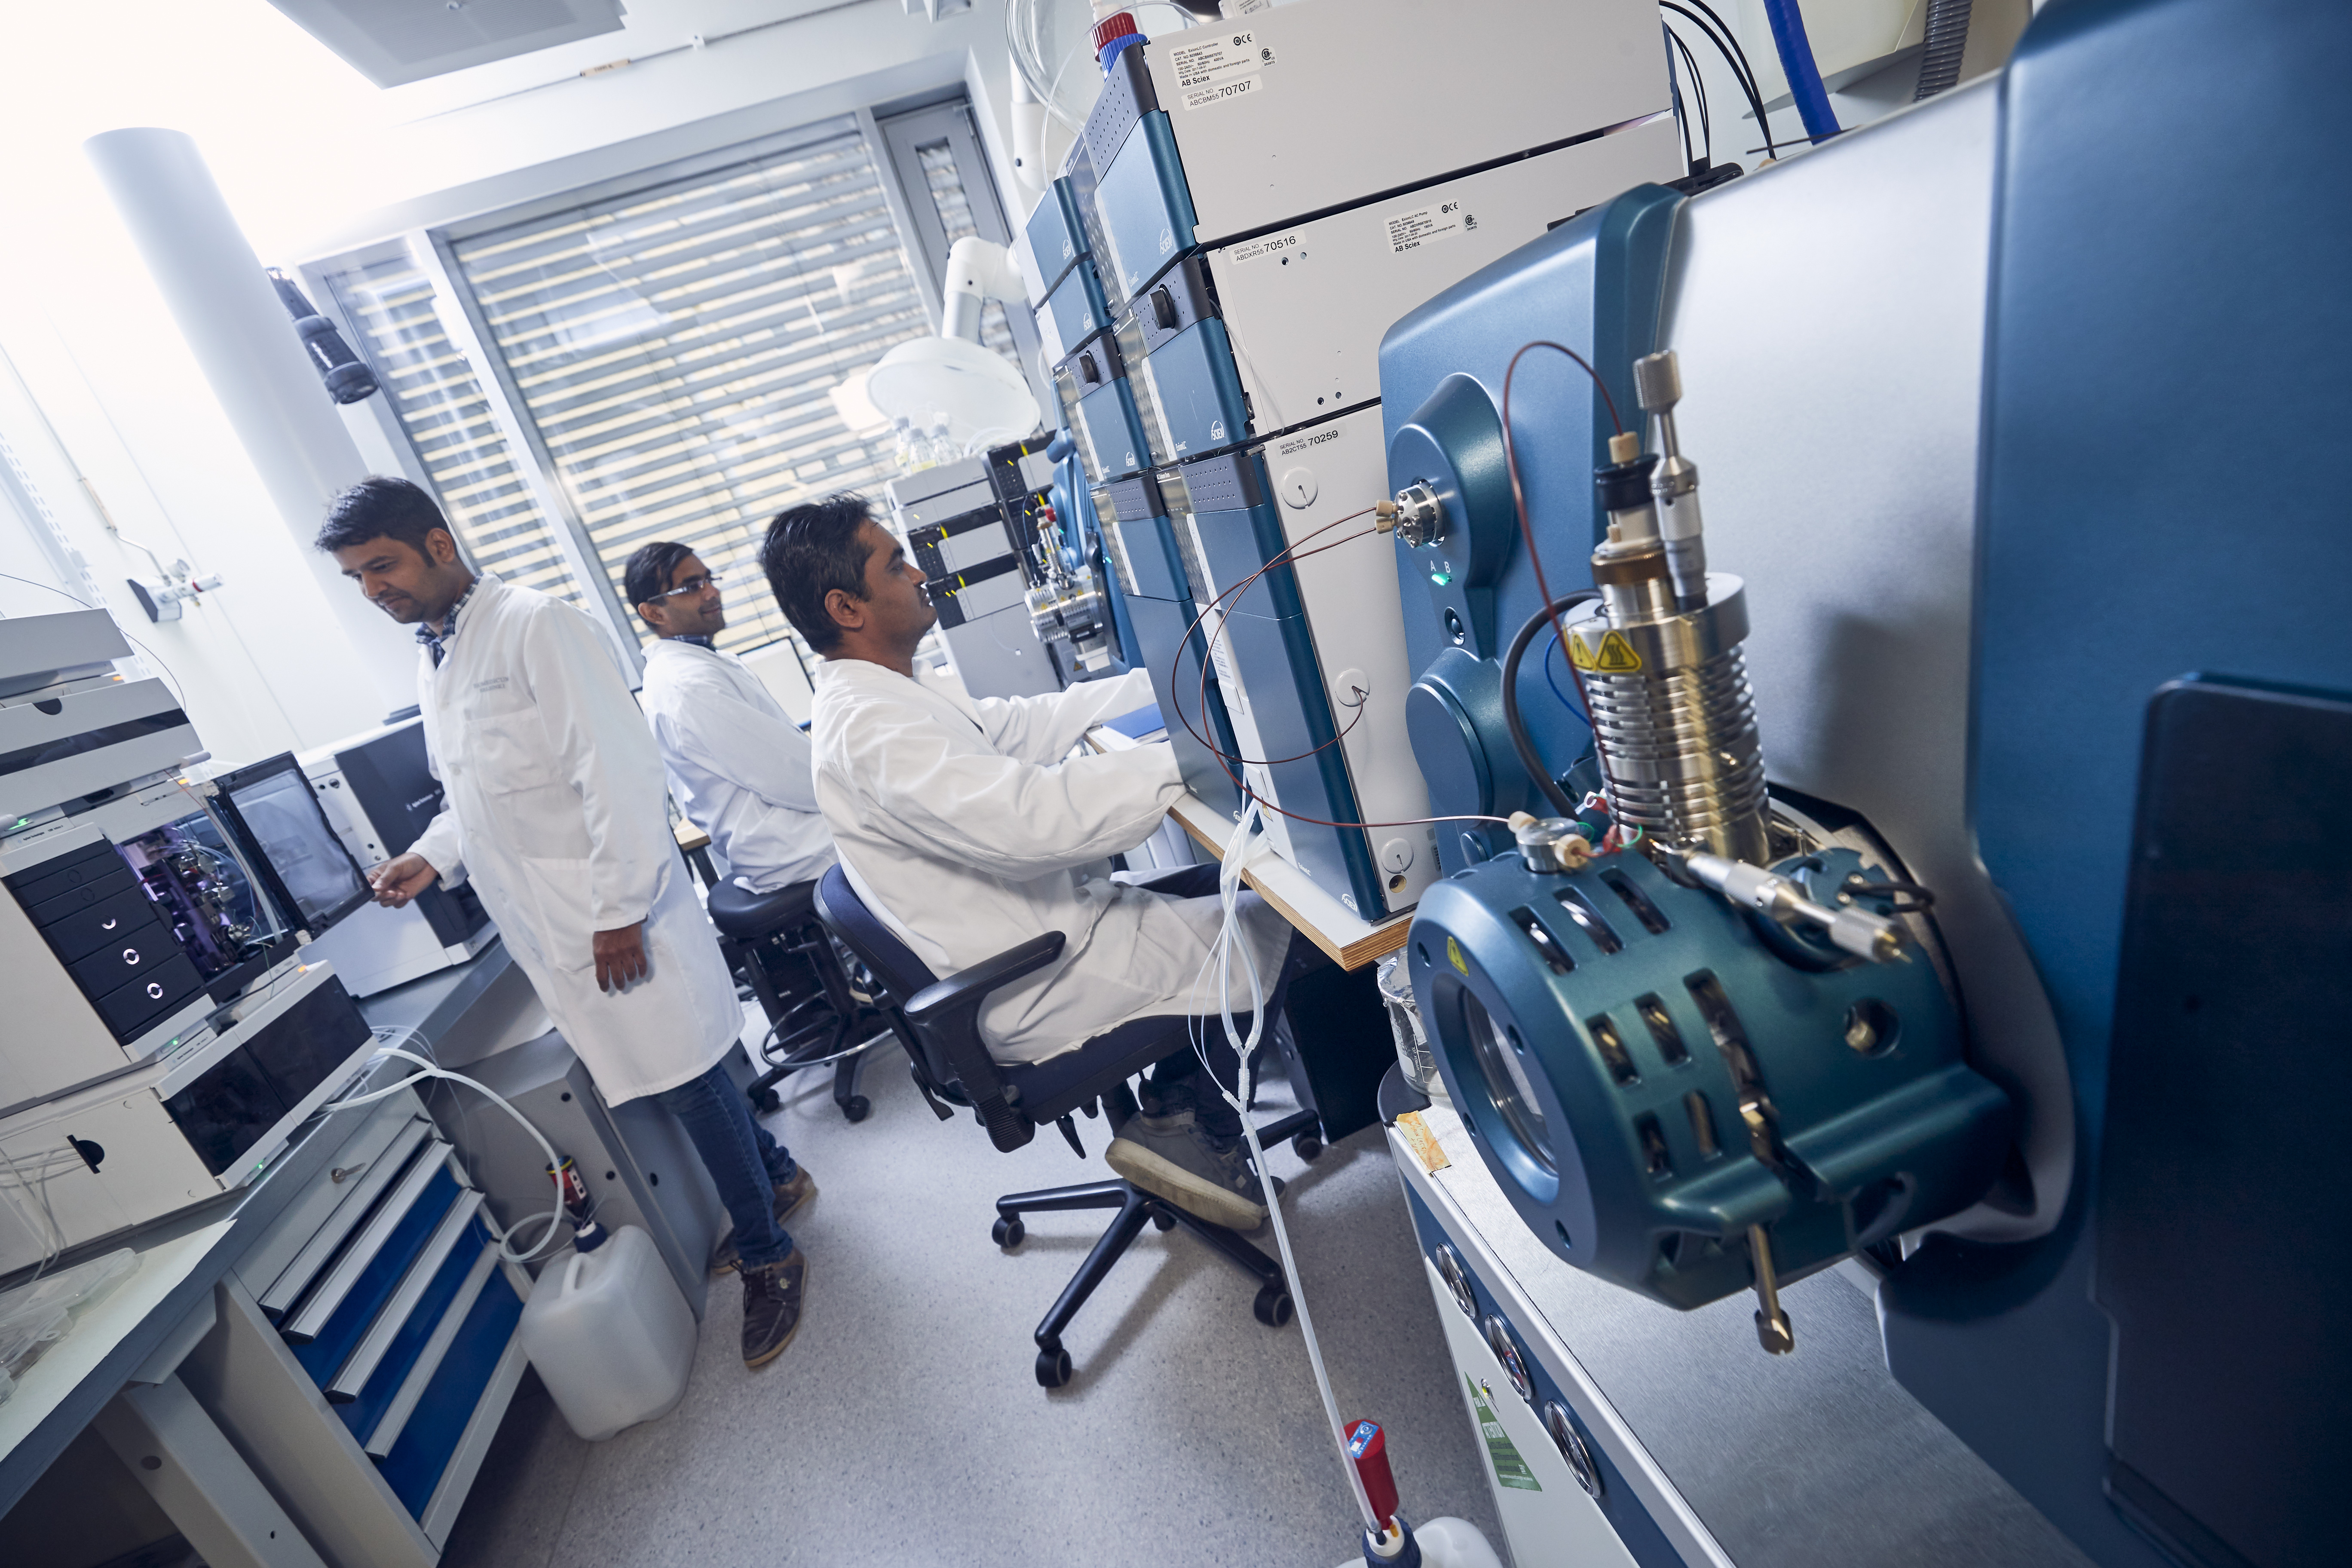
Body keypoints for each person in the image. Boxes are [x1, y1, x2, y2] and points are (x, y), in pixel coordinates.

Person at [315, 477, 810, 1369]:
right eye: (356, 577)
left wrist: (619, 909)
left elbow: (615, 770)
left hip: (609, 912)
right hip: (558, 918)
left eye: (380, 565)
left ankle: (771, 1252)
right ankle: (778, 1175)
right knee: (673, 1074)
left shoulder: (536, 625)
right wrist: (434, 852)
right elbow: (482, 790)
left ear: (436, 544)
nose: (371, 589)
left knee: (688, 1078)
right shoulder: (437, 654)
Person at [762, 493, 1305, 1232]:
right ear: (846, 606)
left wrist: (1180, 674)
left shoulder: (890, 694)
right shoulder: (870, 730)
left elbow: (1027, 724)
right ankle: (1183, 1118)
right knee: (1283, 920)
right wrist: (1184, 754)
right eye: (895, 563)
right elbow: (1030, 822)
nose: (921, 571)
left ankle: (1182, 1107)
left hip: (1041, 935)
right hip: (1039, 978)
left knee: (1217, 893)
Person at [623, 540, 836, 894]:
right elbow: (785, 771)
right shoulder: (687, 683)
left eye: (709, 580)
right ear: (653, 613)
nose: (712, 592)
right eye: (692, 587)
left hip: (793, 832)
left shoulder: (699, 663)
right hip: (796, 848)